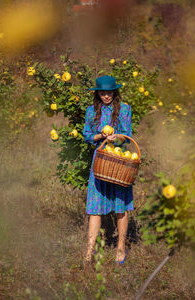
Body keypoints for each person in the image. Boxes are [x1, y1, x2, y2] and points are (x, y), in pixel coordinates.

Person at [83, 75, 133, 264]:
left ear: (115, 92)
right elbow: (87, 134)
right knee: (94, 208)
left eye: (109, 92)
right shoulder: (90, 112)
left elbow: (127, 136)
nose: (106, 96)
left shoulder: (125, 110)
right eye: (102, 93)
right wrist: (100, 136)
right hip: (100, 162)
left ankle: (120, 248)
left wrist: (117, 137)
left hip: (119, 162)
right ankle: (88, 253)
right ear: (97, 93)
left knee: (121, 206)